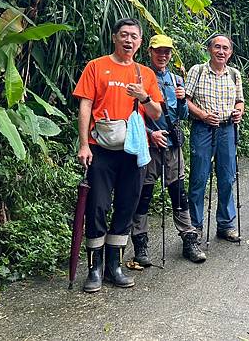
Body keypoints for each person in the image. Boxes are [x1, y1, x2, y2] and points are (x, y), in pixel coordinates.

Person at [74, 18, 163, 293]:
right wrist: (84, 144)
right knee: (97, 206)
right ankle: (94, 269)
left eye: (134, 37)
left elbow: (157, 114)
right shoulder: (96, 66)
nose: (129, 40)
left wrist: (144, 97)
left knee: (126, 206)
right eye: (124, 35)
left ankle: (115, 266)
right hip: (100, 148)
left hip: (133, 150)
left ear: (139, 42)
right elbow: (85, 105)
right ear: (115, 37)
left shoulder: (145, 74)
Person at [130, 35, 206, 266]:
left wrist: (183, 101)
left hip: (173, 146)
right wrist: (149, 134)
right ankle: (140, 246)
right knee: (143, 196)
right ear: (150, 52)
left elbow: (183, 115)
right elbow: (130, 114)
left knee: (179, 194)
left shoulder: (176, 79)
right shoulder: (139, 78)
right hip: (148, 146)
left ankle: (189, 239)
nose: (162, 56)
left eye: (167, 52)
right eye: (158, 51)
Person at [185, 34, 244, 243]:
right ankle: (195, 225)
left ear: (230, 52)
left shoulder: (234, 74)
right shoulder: (197, 71)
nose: (221, 51)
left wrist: (238, 111)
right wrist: (202, 115)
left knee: (227, 177)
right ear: (209, 49)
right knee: (199, 177)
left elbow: (240, 101)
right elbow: (186, 100)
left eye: (225, 48)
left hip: (227, 129)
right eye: (217, 47)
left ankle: (226, 224)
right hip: (202, 129)